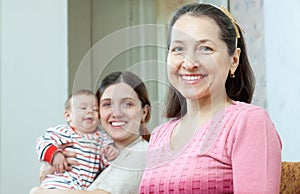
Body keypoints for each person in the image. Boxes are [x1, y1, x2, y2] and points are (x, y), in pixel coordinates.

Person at [139, 3, 282, 194]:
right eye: (178, 49)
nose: (189, 63)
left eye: (205, 48)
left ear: (234, 60)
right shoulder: (159, 135)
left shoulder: (248, 122)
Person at [30, 71, 151, 194]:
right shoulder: (95, 151)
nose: (116, 113)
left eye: (127, 104)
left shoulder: (143, 153)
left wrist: (40, 192)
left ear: (144, 112)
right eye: (107, 104)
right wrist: (48, 170)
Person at [36, 89, 119, 190]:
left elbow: (102, 165)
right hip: (58, 184)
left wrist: (109, 155)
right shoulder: (63, 132)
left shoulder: (102, 138)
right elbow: (42, 143)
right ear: (68, 116)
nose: (90, 111)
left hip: (82, 189)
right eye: (83, 108)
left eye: (95, 109)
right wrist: (54, 155)